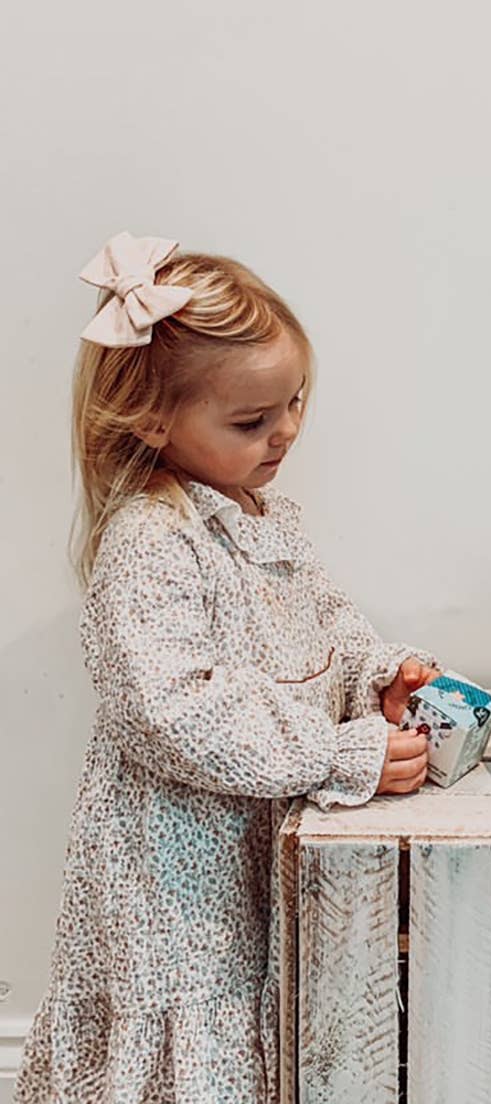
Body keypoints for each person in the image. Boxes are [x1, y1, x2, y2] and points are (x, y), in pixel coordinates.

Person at [15, 232, 438, 1102]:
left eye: (296, 403)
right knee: (188, 1044)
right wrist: (337, 755)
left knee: (253, 1034)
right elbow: (176, 713)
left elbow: (327, 627)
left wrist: (377, 676)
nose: (284, 431)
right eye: (251, 421)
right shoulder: (151, 541)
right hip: (174, 876)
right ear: (152, 421)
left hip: (254, 848)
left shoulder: (265, 515)